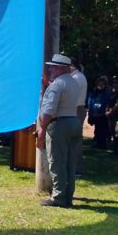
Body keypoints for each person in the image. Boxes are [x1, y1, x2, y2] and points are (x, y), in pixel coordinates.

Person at [36, 54, 81, 208]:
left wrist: (42, 128)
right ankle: (68, 196)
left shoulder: (56, 85)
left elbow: (49, 110)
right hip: (73, 121)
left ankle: (58, 198)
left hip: (59, 124)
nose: (50, 69)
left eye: (53, 67)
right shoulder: (74, 83)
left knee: (57, 162)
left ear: (61, 68)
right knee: (70, 162)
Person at [87, 76, 112, 149]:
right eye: (99, 84)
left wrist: (103, 112)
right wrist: (91, 113)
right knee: (97, 129)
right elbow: (90, 103)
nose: (100, 85)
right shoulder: (93, 93)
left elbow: (107, 103)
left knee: (103, 130)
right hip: (94, 115)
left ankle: (102, 144)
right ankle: (97, 143)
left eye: (102, 84)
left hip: (102, 115)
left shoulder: (106, 94)